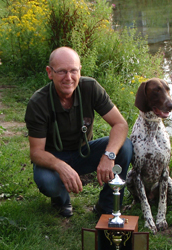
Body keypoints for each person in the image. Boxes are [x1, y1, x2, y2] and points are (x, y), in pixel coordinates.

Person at [24, 47, 132, 217]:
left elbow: (120, 124)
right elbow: (36, 152)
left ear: (80, 70)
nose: (68, 78)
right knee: (48, 182)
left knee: (124, 146)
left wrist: (108, 155)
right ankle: (60, 198)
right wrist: (61, 166)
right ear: (49, 72)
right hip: (53, 157)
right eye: (61, 72)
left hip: (83, 152)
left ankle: (107, 206)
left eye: (73, 71)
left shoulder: (90, 87)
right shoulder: (38, 103)